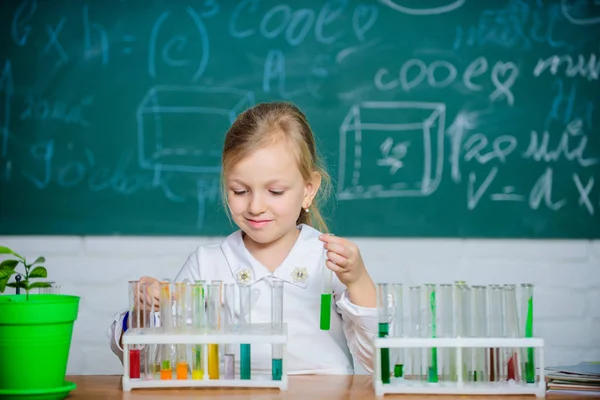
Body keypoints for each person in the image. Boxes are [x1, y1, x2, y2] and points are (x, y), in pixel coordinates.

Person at [108, 101, 378, 375]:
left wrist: (358, 280)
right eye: (240, 191)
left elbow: (377, 360)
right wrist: (145, 311)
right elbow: (146, 363)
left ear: (308, 189)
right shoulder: (208, 264)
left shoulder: (329, 260)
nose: (255, 206)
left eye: (275, 191)